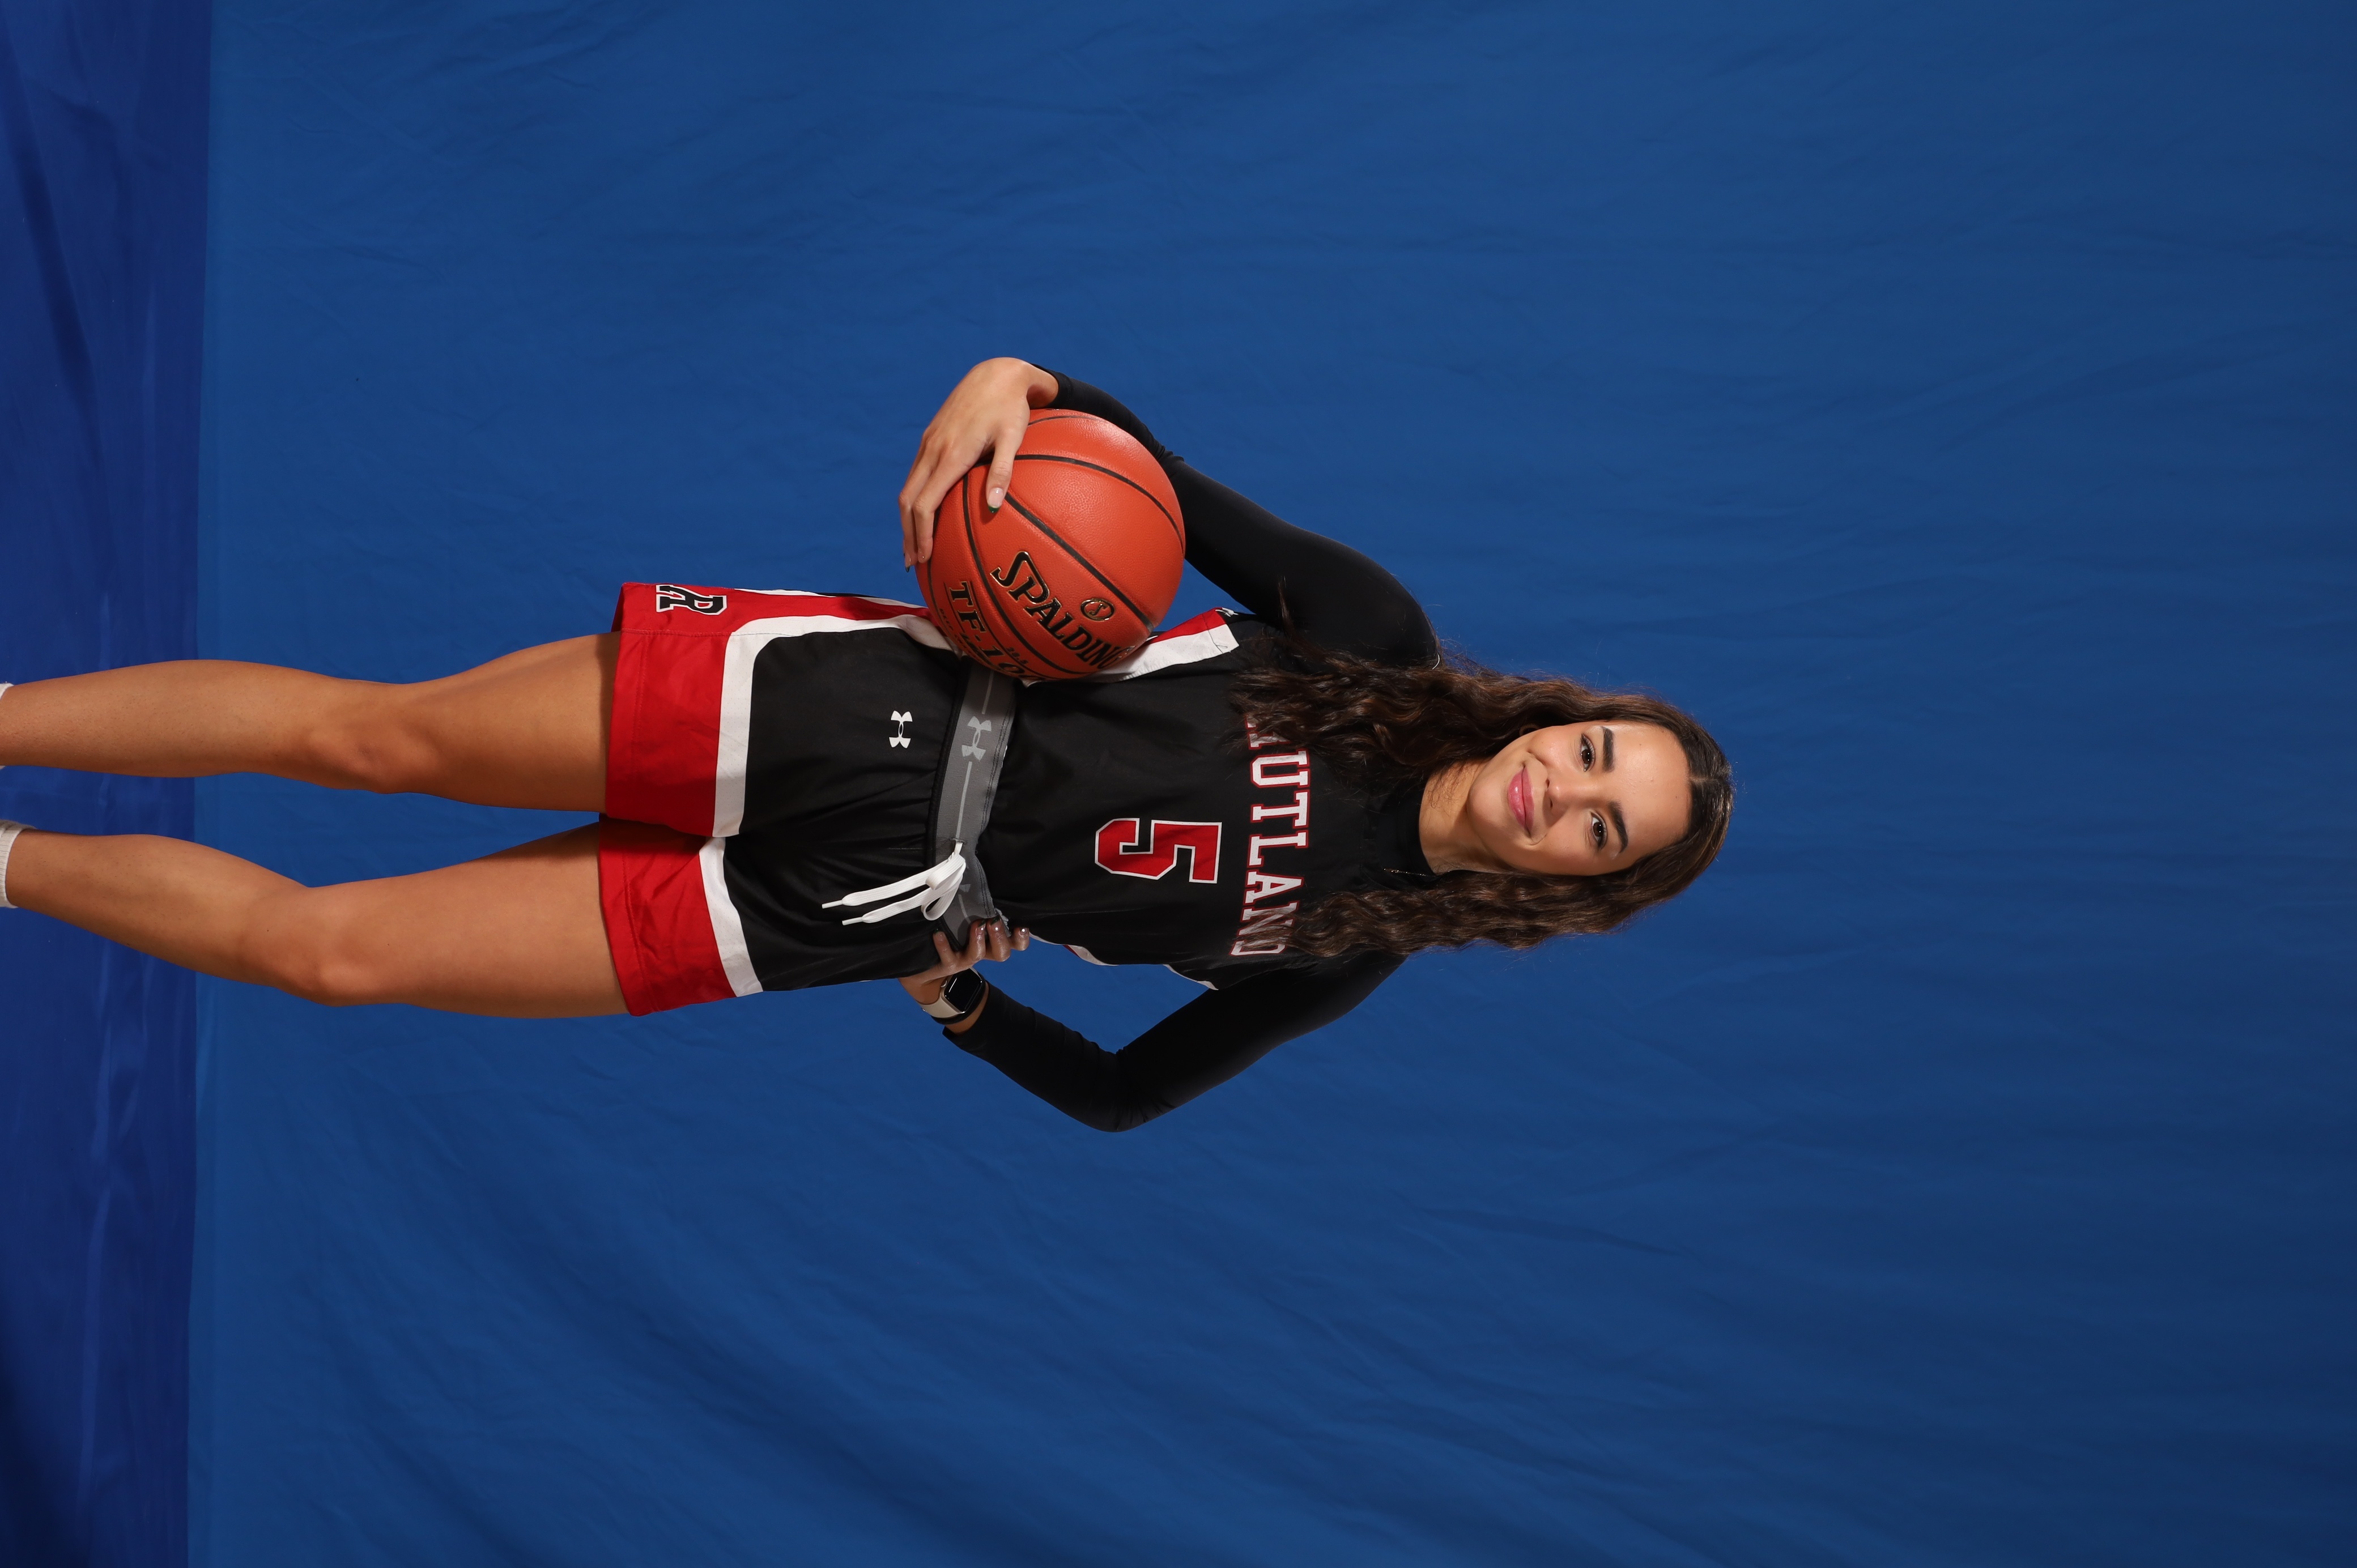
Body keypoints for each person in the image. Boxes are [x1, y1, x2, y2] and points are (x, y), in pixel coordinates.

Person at [0, 360, 1732, 1130]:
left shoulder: (1346, 946)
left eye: (1604, 829)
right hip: (863, 711)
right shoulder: (1372, 635)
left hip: (854, 912)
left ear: (1576, 890)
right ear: (1568, 720)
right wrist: (1012, 379)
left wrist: (962, 1004)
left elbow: (1127, 1096)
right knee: (369, 742)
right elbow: (1125, 455)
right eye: (1599, 756)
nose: (1566, 793)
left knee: (334, 955)